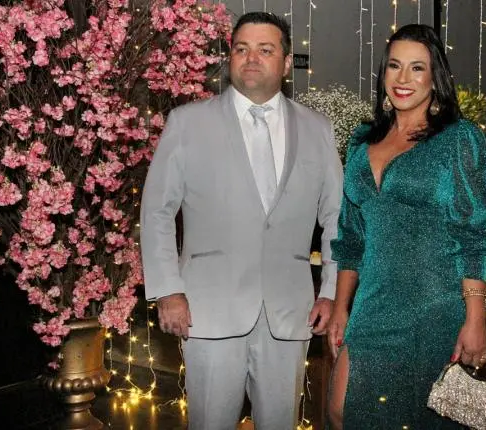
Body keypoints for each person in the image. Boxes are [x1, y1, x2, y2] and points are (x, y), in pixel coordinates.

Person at [140, 12, 343, 430]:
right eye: (241, 49)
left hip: (290, 312)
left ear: (286, 63)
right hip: (206, 310)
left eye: (265, 50)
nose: (251, 58)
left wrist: (330, 291)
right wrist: (168, 290)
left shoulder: (317, 128)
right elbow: (157, 210)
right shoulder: (187, 122)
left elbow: (336, 216)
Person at [326, 24, 486, 429]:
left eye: (417, 68)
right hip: (372, 304)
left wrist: (475, 319)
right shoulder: (362, 140)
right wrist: (340, 307)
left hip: (435, 310)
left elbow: (473, 237)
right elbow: (351, 236)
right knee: (341, 411)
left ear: (435, 77)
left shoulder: (459, 139)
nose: (403, 78)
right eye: (394, 66)